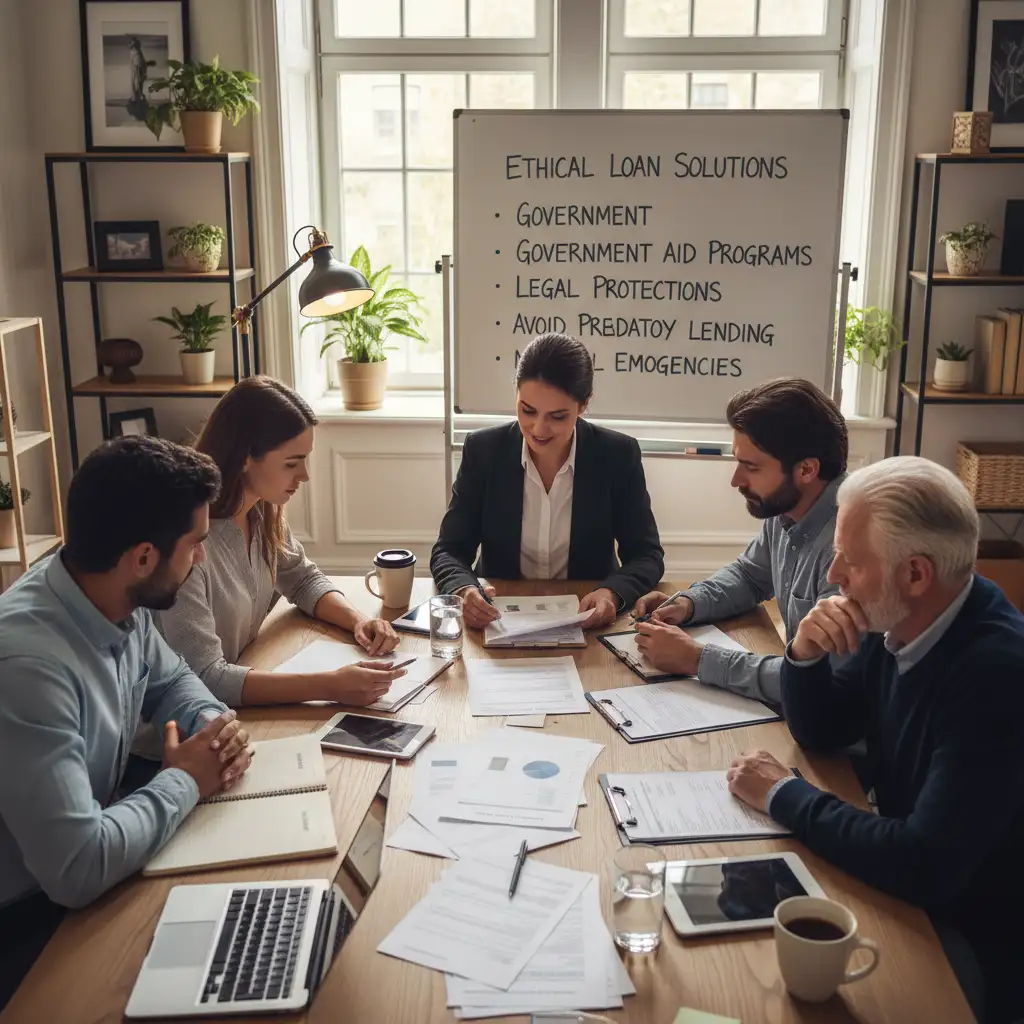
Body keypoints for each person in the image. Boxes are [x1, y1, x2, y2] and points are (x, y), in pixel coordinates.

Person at [725, 457, 1024, 1024]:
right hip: (906, 888)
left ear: (916, 574)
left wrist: (784, 795)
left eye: (852, 561)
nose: (834, 574)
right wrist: (803, 655)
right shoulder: (903, 618)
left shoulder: (995, 676)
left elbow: (924, 863)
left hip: (972, 942)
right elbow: (825, 730)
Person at [0, 436, 253, 1010]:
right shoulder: (28, 670)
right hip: (29, 922)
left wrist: (213, 726)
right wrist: (185, 779)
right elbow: (77, 868)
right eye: (194, 545)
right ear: (142, 557)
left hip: (94, 858)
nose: (201, 560)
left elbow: (172, 679)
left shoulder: (111, 595)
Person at [157, 376, 404, 711]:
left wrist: (359, 621)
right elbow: (206, 678)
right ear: (245, 457)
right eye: (291, 463)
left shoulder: (262, 511)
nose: (304, 475)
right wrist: (330, 685)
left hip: (238, 701)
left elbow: (302, 579)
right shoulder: (187, 545)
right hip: (183, 726)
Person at [631, 378, 847, 704]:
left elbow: (824, 683)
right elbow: (749, 576)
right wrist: (687, 604)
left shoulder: (852, 548)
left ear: (806, 469)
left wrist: (698, 659)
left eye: (751, 467)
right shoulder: (787, 508)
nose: (736, 480)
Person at [430, 332, 664, 629]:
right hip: (499, 620)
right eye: (527, 410)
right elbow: (449, 550)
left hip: (586, 619)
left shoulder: (617, 454)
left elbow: (646, 555)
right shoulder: (484, 451)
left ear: (584, 404)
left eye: (558, 416)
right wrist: (465, 590)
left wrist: (612, 594)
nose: (539, 428)